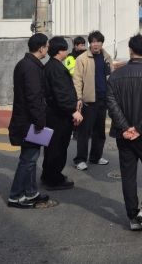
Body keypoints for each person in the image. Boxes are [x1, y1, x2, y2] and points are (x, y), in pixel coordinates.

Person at [107, 34, 142, 231]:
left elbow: (112, 105)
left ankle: (133, 217)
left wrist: (125, 127)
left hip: (124, 135)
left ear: (130, 50)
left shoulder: (116, 76)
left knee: (128, 175)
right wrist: (139, 129)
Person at [8, 33, 54, 209]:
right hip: (29, 122)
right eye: (47, 46)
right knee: (27, 160)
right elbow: (34, 97)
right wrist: (40, 121)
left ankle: (31, 192)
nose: (47, 49)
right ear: (41, 48)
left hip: (27, 120)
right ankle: (15, 196)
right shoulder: (30, 67)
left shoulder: (27, 64)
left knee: (31, 158)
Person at [41, 37, 83, 190]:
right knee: (57, 148)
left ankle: (48, 176)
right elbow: (61, 94)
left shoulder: (52, 66)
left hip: (55, 115)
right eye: (65, 49)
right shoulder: (56, 68)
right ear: (60, 51)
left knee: (52, 147)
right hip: (58, 116)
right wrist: (73, 111)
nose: (67, 52)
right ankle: (53, 179)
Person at [72, 30, 113, 170]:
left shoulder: (107, 57)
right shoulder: (82, 59)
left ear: (102, 43)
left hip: (103, 99)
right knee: (84, 132)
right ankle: (80, 159)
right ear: (90, 43)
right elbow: (77, 80)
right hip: (88, 101)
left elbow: (111, 77)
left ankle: (95, 157)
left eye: (98, 42)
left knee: (100, 132)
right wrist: (78, 97)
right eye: (93, 42)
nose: (96, 44)